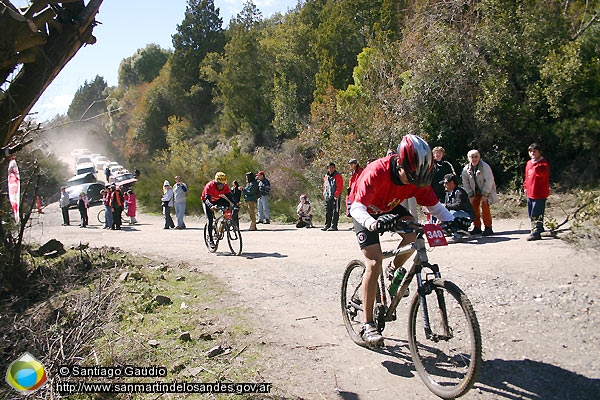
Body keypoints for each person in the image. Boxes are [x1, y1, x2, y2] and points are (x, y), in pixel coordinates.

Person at [348, 134, 455, 347]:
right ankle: (368, 325)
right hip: (363, 211)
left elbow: (435, 207)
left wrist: (454, 220)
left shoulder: (416, 175)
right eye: (412, 178)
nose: (415, 183)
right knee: (373, 262)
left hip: (389, 207)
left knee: (412, 232)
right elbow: (358, 208)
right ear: (400, 165)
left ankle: (393, 269)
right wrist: (372, 223)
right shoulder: (376, 172)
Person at [461, 149, 497, 236]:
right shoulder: (465, 169)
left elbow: (489, 180)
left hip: (485, 190)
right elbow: (465, 183)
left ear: (479, 157)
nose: (474, 159)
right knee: (473, 209)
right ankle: (477, 227)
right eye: (472, 157)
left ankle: (488, 227)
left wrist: (485, 194)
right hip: (474, 192)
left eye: (476, 157)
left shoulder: (485, 167)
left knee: (485, 208)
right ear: (468, 158)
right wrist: (470, 194)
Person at [523, 143, 550, 241]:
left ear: (539, 152)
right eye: (530, 151)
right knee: (531, 212)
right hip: (530, 192)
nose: (532, 153)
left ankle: (536, 232)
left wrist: (535, 163)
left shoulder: (543, 164)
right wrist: (525, 186)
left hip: (539, 193)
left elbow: (540, 173)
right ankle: (538, 228)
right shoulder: (529, 163)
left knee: (536, 212)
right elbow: (527, 176)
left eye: (535, 151)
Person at [202, 172, 235, 244]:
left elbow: (230, 196)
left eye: (223, 184)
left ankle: (225, 221)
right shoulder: (210, 186)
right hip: (207, 201)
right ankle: (210, 240)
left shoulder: (225, 186)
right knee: (210, 220)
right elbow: (207, 199)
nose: (221, 186)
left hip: (217, 199)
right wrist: (211, 206)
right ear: (216, 182)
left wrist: (236, 203)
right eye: (220, 184)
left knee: (227, 204)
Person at [441, 174, 474, 240]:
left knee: (451, 214)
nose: (444, 185)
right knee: (440, 214)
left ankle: (458, 234)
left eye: (446, 183)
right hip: (457, 213)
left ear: (452, 183)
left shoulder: (459, 192)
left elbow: (458, 205)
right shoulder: (448, 193)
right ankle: (447, 230)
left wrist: (445, 206)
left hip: (466, 215)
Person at [322, 162, 344, 231]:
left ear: (334, 168)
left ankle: (334, 226)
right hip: (328, 196)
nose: (331, 169)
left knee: (335, 211)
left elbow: (340, 186)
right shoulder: (326, 176)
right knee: (328, 211)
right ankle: (327, 225)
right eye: (329, 168)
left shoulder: (338, 176)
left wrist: (336, 194)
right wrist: (324, 193)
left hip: (335, 196)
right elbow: (325, 185)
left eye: (332, 167)